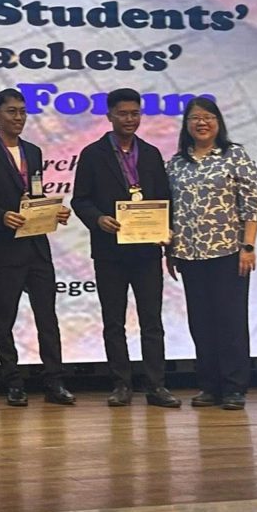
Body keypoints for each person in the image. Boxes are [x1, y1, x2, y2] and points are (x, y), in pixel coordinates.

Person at [71, 88, 180, 409]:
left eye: (135, 113)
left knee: (152, 321)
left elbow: (164, 200)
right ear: (109, 115)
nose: (129, 119)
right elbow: (80, 200)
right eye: (123, 113)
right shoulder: (93, 154)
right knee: (114, 321)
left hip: (146, 252)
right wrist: (98, 219)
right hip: (110, 252)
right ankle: (121, 384)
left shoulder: (151, 154)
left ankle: (156, 386)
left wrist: (165, 233)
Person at [0, 89, 75, 407]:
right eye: (12, 111)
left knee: (47, 318)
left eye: (22, 111)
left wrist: (54, 212)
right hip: (4, 249)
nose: (19, 117)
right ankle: (13, 381)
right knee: (4, 319)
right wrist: (2, 216)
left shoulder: (34, 152)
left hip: (37, 247)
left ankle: (55, 381)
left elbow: (35, 196)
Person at [166, 98, 257, 411]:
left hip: (229, 253)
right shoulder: (176, 163)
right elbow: (169, 210)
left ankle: (234, 388)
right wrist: (170, 250)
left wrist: (248, 246)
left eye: (208, 117)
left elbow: (252, 203)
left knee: (230, 322)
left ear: (218, 122)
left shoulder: (235, 155)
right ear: (186, 125)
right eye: (195, 118)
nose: (202, 123)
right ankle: (209, 386)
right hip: (189, 255)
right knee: (201, 323)